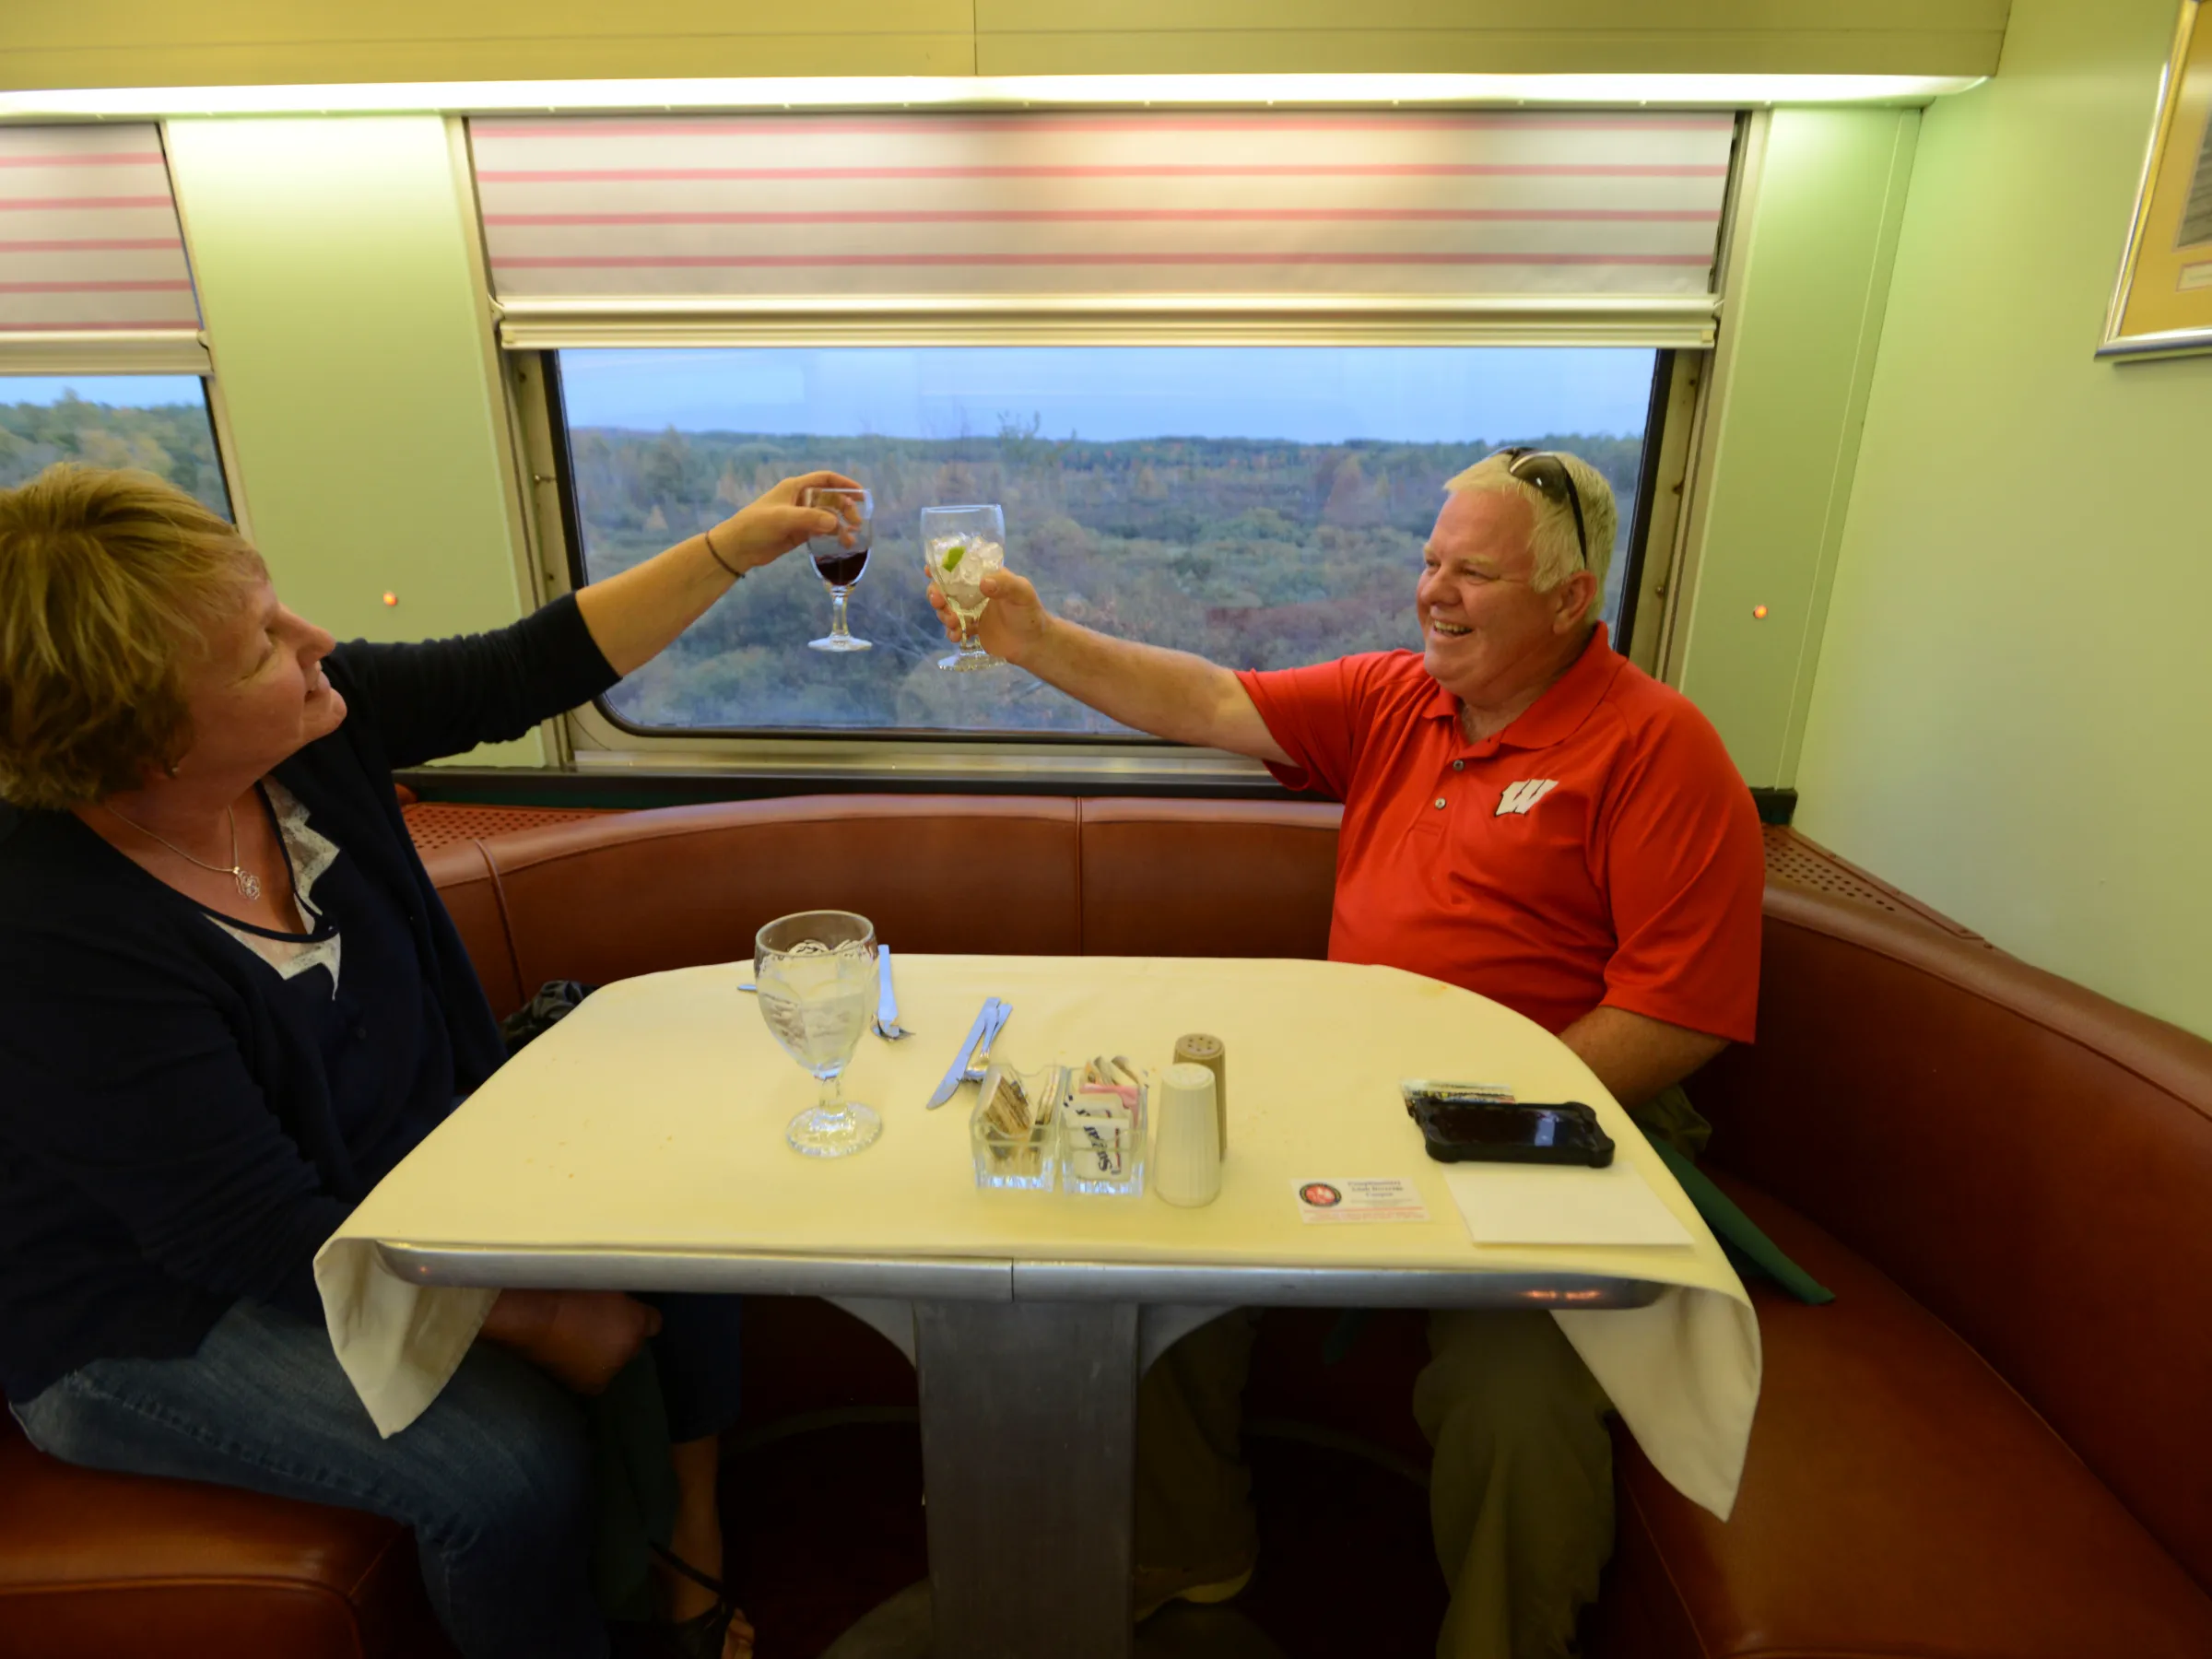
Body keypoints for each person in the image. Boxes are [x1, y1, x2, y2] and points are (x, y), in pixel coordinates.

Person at [0, 461, 862, 1659]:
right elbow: (249, 1233)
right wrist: (537, 1315)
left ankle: (688, 1542)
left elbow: (524, 668)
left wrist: (732, 547)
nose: (315, 643)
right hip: (157, 1312)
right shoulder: (51, 932)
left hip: (398, 1180)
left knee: (690, 1205)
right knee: (507, 1473)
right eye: (261, 647)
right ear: (147, 745)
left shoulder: (310, 734)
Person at [929, 447, 1764, 1659]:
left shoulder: (1658, 748)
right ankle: (1192, 1545)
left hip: (1557, 1113)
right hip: (1353, 1091)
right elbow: (1209, 701)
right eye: (1430, 562)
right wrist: (1037, 640)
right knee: (1151, 1247)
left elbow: (1678, 1016)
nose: (1435, 593)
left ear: (1571, 599)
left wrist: (1480, 1115)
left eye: (1474, 573)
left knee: (1517, 1395)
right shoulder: (1394, 699)